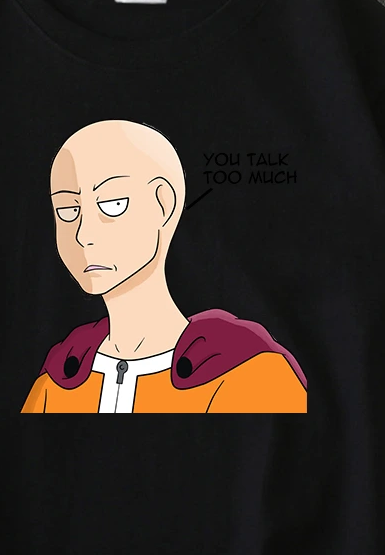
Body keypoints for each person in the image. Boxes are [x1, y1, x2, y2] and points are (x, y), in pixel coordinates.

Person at [21, 118, 307, 413]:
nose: (83, 235)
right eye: (69, 210)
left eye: (113, 204)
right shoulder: (57, 380)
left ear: (163, 205)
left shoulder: (252, 373)